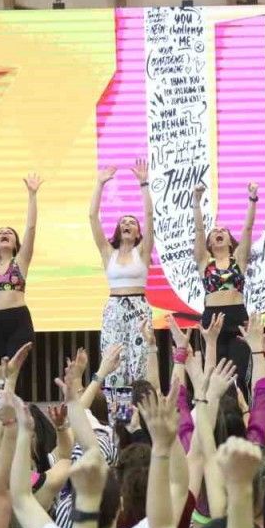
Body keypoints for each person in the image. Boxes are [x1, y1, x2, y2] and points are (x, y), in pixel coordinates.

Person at [89, 159, 155, 393]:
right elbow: (92, 217)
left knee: (140, 362)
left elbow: (149, 216)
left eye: (132, 223)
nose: (127, 224)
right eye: (123, 222)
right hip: (114, 309)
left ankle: (141, 408)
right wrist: (100, 184)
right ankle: (115, 410)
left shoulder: (142, 252)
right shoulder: (109, 252)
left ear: (137, 232)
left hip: (139, 309)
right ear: (118, 230)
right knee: (114, 362)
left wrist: (144, 184)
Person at [191, 182, 258, 387]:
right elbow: (199, 230)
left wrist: (252, 199)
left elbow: (248, 228)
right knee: (214, 374)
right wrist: (196, 202)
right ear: (210, 243)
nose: (218, 232)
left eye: (223, 231)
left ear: (230, 241)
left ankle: (241, 404)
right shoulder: (204, 261)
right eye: (215, 232)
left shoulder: (239, 259)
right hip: (212, 318)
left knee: (239, 373)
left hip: (237, 316)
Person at [0, 172, 42, 361]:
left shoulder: (21, 261)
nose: (5, 233)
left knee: (15, 371)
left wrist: (32, 195)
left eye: (9, 233)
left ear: (15, 244)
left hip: (19, 320)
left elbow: (31, 228)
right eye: (0, 233)